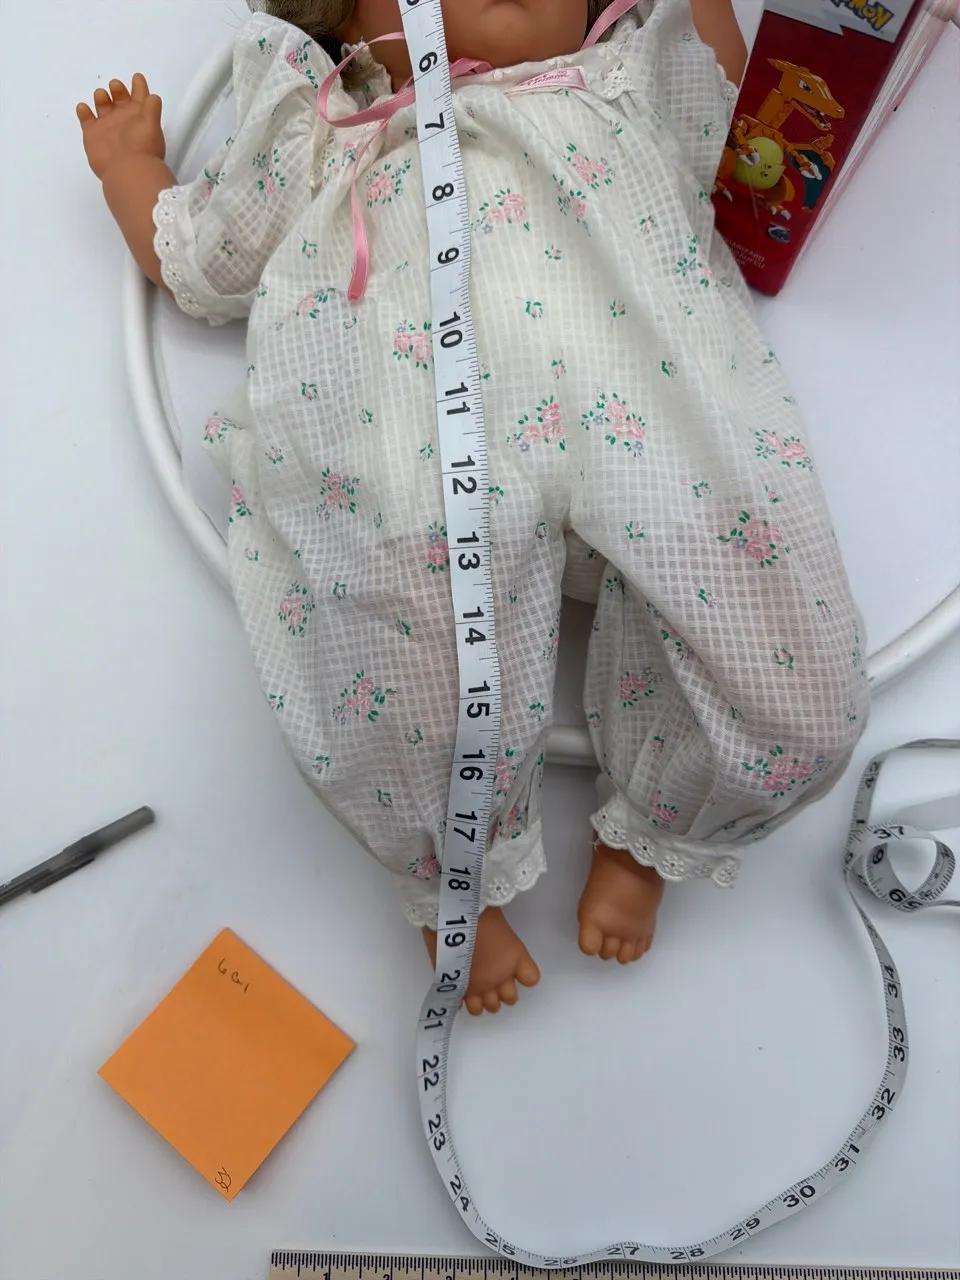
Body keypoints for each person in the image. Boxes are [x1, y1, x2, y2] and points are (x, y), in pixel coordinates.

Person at [77, 0, 868, 1016]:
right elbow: (209, 258)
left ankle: (659, 834)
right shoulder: (330, 124)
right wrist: (131, 171)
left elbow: (724, 105)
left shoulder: (623, 78)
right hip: (410, 435)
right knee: (398, 634)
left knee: (780, 653)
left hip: (646, 413)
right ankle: (450, 881)